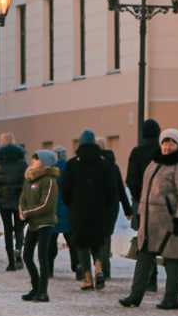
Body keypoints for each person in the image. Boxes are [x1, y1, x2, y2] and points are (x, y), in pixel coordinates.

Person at [120, 128, 178, 310]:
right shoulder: (154, 163)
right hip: (150, 220)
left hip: (170, 221)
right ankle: (135, 295)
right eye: (164, 143)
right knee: (143, 257)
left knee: (172, 259)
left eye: (171, 143)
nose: (167, 147)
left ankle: (171, 298)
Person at [60, 131, 116, 291]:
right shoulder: (103, 164)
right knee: (97, 241)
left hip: (79, 210)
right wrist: (104, 204)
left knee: (82, 244)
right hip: (98, 209)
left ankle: (88, 279)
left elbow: (64, 189)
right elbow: (111, 189)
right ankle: (99, 269)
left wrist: (71, 203)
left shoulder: (72, 164)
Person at [125, 118, 162, 291]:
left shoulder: (137, 152)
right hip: (163, 204)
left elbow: (131, 180)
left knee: (145, 240)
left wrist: (139, 197)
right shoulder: (163, 152)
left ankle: (149, 277)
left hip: (144, 204)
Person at [18, 149, 59, 303]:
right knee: (27, 255)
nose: (33, 160)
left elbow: (47, 204)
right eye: (33, 157)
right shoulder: (30, 178)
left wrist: (27, 213)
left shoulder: (48, 180)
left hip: (45, 223)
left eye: (37, 158)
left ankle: (43, 290)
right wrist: (22, 211)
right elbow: (23, 198)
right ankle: (35, 286)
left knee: (42, 256)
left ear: (45, 162)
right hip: (33, 223)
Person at [0, 132, 27, 271]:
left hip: (4, 201)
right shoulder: (22, 162)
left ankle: (11, 262)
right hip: (20, 200)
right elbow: (29, 180)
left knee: (8, 230)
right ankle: (18, 249)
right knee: (20, 227)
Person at [96, 136, 133, 285]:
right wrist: (127, 209)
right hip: (112, 206)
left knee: (98, 236)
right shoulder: (114, 166)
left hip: (98, 205)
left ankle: (100, 268)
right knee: (106, 236)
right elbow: (121, 189)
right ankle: (106, 269)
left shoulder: (95, 165)